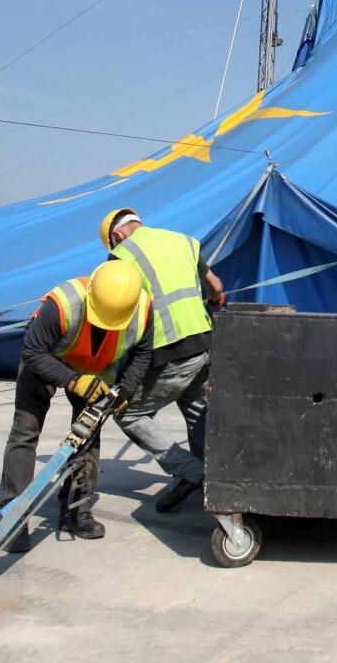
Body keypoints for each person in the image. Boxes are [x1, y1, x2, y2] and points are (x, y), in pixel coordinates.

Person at [0, 259, 152, 552]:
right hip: (46, 360)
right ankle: (13, 517)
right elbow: (32, 350)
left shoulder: (141, 308)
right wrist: (72, 379)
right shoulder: (64, 302)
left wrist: (126, 390)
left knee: (88, 436)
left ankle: (75, 511)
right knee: (25, 431)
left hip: (94, 369)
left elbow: (143, 353)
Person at [99, 207, 225, 513]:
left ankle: (191, 472)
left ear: (117, 236)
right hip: (205, 344)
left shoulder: (122, 257)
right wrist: (213, 301)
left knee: (129, 414)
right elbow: (217, 287)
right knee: (197, 412)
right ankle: (217, 480)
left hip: (170, 350)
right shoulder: (182, 241)